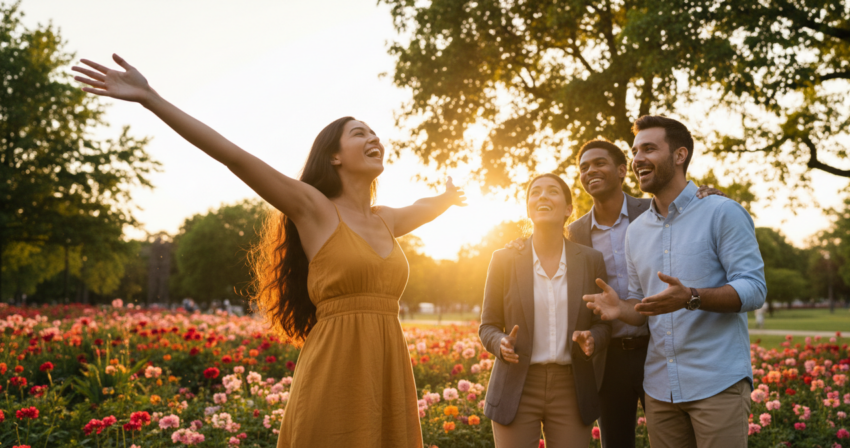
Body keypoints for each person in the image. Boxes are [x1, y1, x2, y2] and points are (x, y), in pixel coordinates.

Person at [73, 55, 467, 448]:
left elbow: (425, 207)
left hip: (388, 370)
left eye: (375, 134)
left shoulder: (388, 220)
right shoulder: (314, 209)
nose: (374, 139)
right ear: (334, 155)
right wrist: (150, 97)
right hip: (336, 369)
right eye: (360, 133)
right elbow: (233, 155)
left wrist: (448, 198)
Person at [584, 115, 766, 448]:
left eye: (649, 148)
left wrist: (692, 297)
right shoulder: (636, 232)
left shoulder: (721, 212)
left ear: (679, 155)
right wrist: (620, 308)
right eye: (635, 150)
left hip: (717, 384)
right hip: (660, 391)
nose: (638, 158)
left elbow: (754, 290)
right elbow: (643, 309)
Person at [479, 174, 612, 448]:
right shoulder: (503, 259)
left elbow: (603, 323)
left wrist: (593, 339)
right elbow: (488, 325)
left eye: (552, 191)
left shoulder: (591, 260)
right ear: (529, 208)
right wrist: (500, 342)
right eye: (535, 192)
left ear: (567, 209)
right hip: (516, 384)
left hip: (572, 387)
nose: (542, 196)